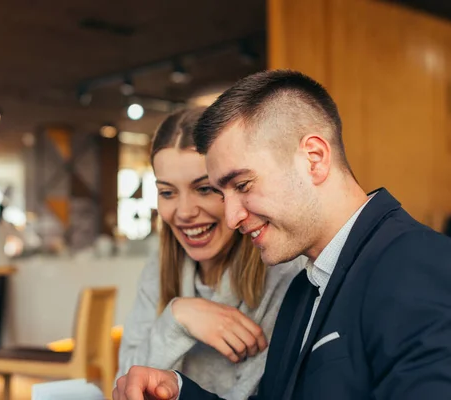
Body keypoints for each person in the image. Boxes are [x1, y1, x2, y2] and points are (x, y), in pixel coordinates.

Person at [113, 70, 451, 400]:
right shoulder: (305, 287)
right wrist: (179, 390)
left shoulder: (417, 262)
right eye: (221, 192)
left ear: (314, 159)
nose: (231, 218)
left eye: (243, 185)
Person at [116, 108, 304, 399]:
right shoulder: (157, 270)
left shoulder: (283, 271)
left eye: (204, 189)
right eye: (167, 192)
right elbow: (124, 384)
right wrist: (177, 318)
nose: (185, 212)